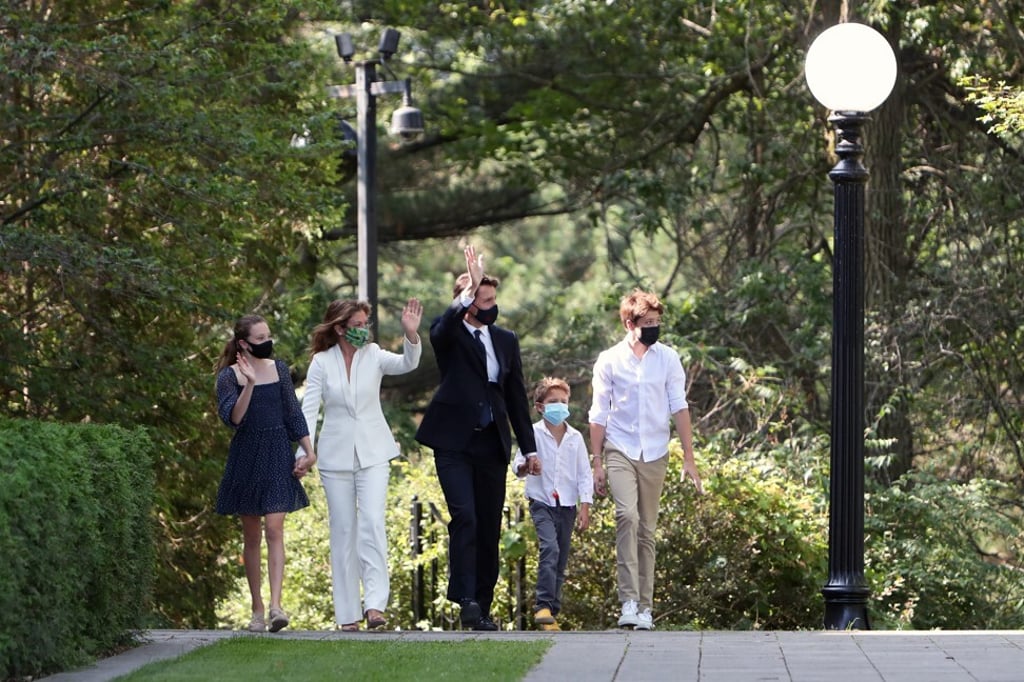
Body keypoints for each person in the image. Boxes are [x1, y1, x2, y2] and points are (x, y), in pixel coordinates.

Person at [415, 245, 538, 631]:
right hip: (454, 443)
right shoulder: (449, 334)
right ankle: (465, 597)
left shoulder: (505, 340)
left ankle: (480, 607)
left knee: (488, 523)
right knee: (464, 515)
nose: (490, 305)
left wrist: (529, 447)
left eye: (491, 298)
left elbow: (516, 396)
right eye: (482, 299)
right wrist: (468, 285)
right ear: (466, 302)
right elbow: (440, 329)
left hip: (491, 444)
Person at [301, 298, 422, 632]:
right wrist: (305, 452)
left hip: (373, 453)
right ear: (339, 328)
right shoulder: (321, 363)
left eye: (365, 324)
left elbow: (408, 363)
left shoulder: (374, 356)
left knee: (371, 522)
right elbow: (309, 411)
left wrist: (411, 334)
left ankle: (375, 606)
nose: (363, 331)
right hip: (334, 455)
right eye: (356, 325)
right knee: (343, 531)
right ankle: (347, 615)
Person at [589, 289, 704, 631]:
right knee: (627, 515)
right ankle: (627, 600)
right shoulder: (609, 360)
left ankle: (644, 608)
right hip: (620, 447)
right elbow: (598, 413)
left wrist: (689, 457)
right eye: (647, 323)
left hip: (655, 450)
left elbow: (679, 406)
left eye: (657, 322)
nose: (654, 328)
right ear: (629, 323)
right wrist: (597, 462)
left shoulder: (668, 358)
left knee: (647, 531)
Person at [214, 314, 317, 634]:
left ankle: (276, 606)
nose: (267, 342)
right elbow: (234, 418)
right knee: (252, 534)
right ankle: (256, 609)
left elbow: (292, 413)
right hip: (246, 456)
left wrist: (308, 450)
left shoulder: (280, 369)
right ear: (243, 344)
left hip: (276, 454)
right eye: (260, 338)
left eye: (267, 336)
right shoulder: (227, 377)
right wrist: (251, 384)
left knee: (275, 527)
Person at [513, 377, 593, 632]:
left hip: (568, 505)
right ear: (540, 406)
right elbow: (517, 467)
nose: (559, 406)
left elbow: (584, 474)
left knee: (560, 559)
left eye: (563, 402)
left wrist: (585, 506)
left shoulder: (575, 438)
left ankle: (551, 614)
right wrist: (528, 465)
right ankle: (542, 605)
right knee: (550, 549)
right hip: (542, 502)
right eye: (552, 402)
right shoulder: (532, 434)